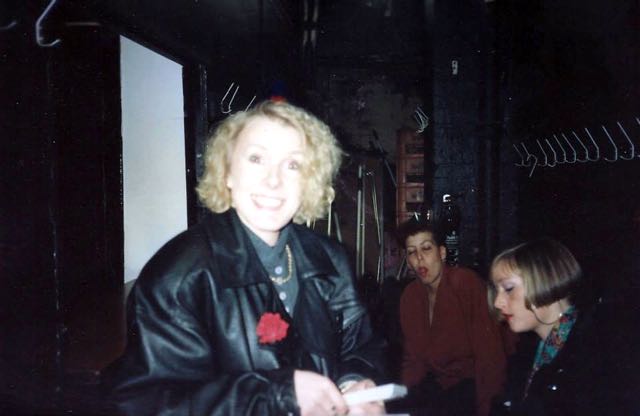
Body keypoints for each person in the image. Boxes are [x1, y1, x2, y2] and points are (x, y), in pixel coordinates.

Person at [101, 100, 386, 416]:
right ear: (227, 173)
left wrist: (354, 383)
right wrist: (276, 396)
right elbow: (147, 403)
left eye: (293, 165)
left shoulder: (330, 258)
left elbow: (360, 348)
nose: (273, 180)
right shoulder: (180, 275)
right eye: (256, 159)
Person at [489, 238, 640, 415]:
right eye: (496, 291)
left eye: (508, 288)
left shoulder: (599, 349)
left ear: (545, 280)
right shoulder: (529, 352)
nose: (498, 302)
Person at [389, 218, 507, 416]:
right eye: (411, 252)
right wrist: (405, 398)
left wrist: (486, 410)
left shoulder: (465, 283)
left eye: (426, 249)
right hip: (436, 387)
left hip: (472, 386)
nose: (419, 258)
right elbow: (413, 360)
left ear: (442, 253)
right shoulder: (410, 296)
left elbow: (490, 356)